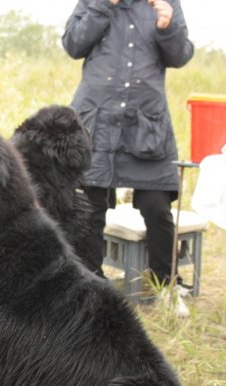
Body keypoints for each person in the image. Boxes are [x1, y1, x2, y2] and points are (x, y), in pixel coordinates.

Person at [62, 0, 194, 315]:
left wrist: (167, 25)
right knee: (90, 207)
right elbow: (72, 44)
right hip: (98, 118)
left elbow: (180, 55)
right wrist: (103, 6)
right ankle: (92, 286)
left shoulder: (166, 3)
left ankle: (166, 284)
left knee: (156, 206)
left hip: (145, 121)